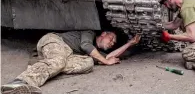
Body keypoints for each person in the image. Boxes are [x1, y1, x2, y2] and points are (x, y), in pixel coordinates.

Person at [1, 31, 141, 94]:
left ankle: (41, 67)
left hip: (66, 53)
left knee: (88, 63)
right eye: (111, 38)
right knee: (58, 61)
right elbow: (87, 46)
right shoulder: (89, 33)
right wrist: (104, 60)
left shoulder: (97, 53)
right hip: (55, 41)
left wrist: (129, 44)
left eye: (114, 43)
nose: (112, 43)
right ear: (103, 34)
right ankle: (19, 82)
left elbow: (108, 57)